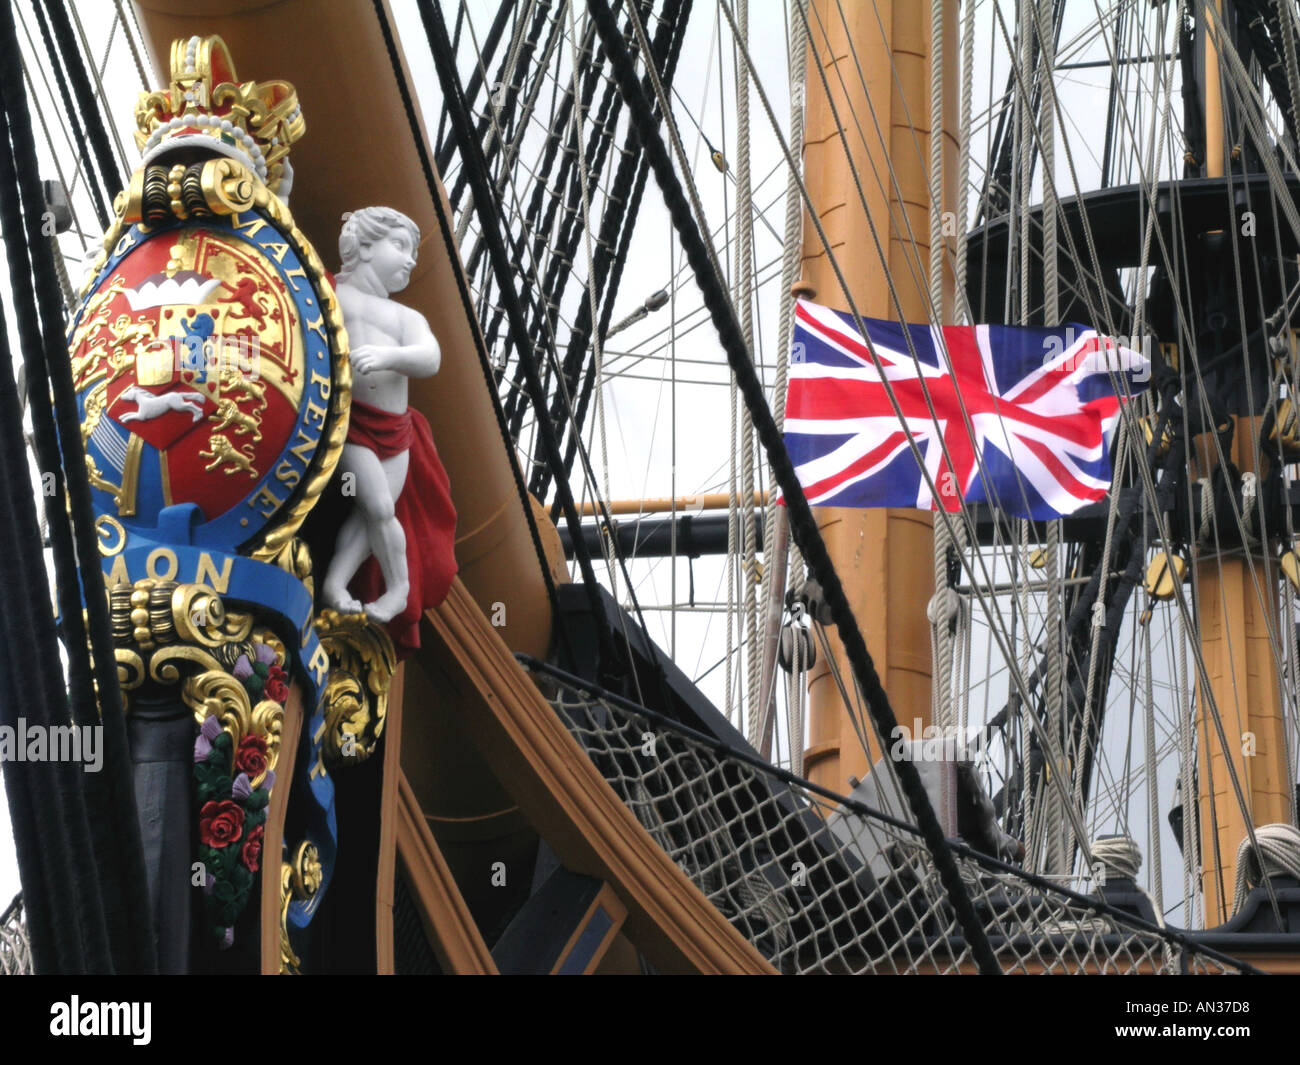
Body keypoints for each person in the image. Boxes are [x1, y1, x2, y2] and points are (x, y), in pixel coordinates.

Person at [321, 207, 457, 654]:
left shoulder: (404, 317)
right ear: (363, 245)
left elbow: (430, 358)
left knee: (370, 517)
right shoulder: (331, 293)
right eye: (400, 246)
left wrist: (386, 359)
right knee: (377, 504)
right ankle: (394, 587)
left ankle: (339, 585)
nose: (411, 260)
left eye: (414, 253)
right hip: (353, 423)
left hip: (396, 432)